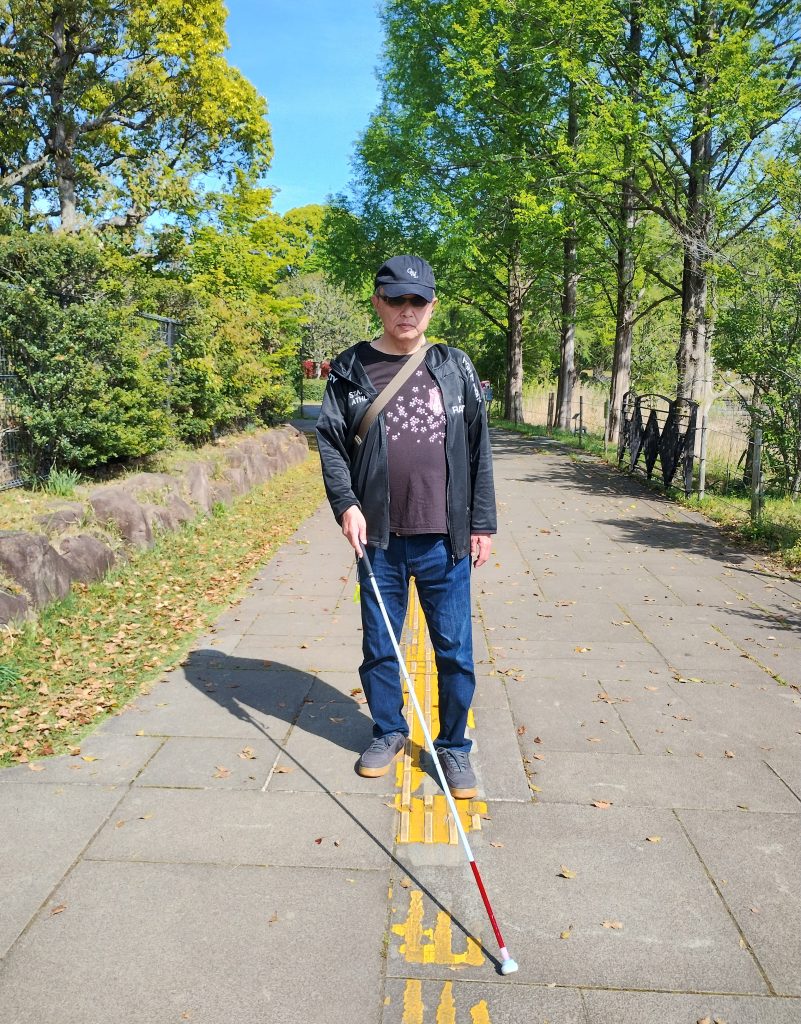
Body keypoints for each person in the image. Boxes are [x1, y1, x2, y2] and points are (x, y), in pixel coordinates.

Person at [315, 255, 496, 799]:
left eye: (417, 301)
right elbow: (329, 442)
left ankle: (454, 747)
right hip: (379, 540)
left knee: (454, 649)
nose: (407, 311)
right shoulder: (350, 368)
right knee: (381, 645)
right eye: (396, 300)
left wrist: (482, 521)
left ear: (432, 306)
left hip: (447, 538)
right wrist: (346, 504)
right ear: (378, 302)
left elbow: (478, 447)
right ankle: (389, 730)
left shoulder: (454, 365)